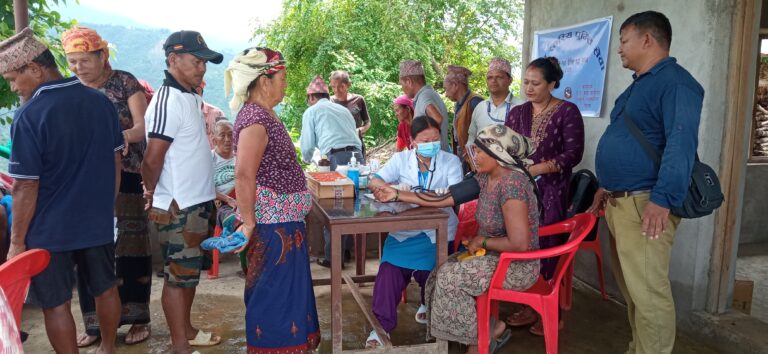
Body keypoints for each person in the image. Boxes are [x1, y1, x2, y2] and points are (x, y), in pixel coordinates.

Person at [1, 28, 123, 354]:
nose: (14, 88)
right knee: (105, 288)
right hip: (96, 221)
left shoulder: (29, 115)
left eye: (14, 78)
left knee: (56, 304)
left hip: (49, 228)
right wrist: (106, 207)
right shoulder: (101, 102)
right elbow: (115, 159)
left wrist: (16, 243)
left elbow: (26, 184)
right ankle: (109, 348)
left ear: (35, 69)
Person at [588, 11, 702, 354]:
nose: (619, 49)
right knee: (635, 291)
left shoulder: (676, 83)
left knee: (649, 293)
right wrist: (605, 185)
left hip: (646, 204)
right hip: (622, 202)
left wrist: (663, 199)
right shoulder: (643, 83)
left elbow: (681, 144)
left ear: (647, 40)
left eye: (624, 40)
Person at [372, 124, 541, 354]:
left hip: (515, 264)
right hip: (493, 256)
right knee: (438, 272)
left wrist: (481, 242)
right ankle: (484, 328)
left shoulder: (512, 186)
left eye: (480, 152)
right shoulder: (485, 178)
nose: (474, 156)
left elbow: (519, 244)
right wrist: (398, 194)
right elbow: (445, 197)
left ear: (498, 154)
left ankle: (477, 342)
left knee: (450, 277)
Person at [60, 26, 153, 347]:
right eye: (71, 61)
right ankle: (96, 324)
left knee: (130, 250)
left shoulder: (125, 82)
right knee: (89, 250)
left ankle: (138, 318)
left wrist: (121, 137)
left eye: (84, 60)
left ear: (102, 56)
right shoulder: (70, 88)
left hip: (126, 175)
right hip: (85, 182)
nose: (77, 68)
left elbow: (142, 128)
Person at [225, 46, 320, 353]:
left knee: (285, 294)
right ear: (264, 81)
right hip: (272, 229)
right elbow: (243, 174)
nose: (285, 84)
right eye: (282, 78)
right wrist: (249, 221)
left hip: (285, 226)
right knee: (274, 295)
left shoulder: (264, 115)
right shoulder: (255, 118)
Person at [141, 30, 224, 354]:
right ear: (173, 59)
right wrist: (154, 193)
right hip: (178, 206)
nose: (202, 67)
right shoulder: (167, 99)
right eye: (196, 60)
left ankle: (186, 330)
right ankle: (179, 345)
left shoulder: (190, 95)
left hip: (195, 202)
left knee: (188, 274)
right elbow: (152, 158)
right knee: (177, 277)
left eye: (204, 61)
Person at [503, 56, 585, 335]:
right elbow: (506, 148)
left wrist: (540, 167)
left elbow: (573, 154)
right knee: (521, 246)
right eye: (525, 82)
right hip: (520, 192)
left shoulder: (567, 112)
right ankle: (529, 303)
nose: (528, 88)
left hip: (551, 192)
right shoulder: (516, 113)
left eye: (535, 83)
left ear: (552, 84)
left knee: (547, 247)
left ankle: (552, 311)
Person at [365, 116, 462, 348]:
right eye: (425, 140)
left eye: (435, 139)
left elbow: (451, 199)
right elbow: (376, 181)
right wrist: (382, 188)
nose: (431, 144)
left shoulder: (450, 162)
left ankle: (429, 306)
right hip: (404, 232)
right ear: (412, 141)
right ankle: (381, 328)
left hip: (437, 232)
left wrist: (401, 195)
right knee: (388, 273)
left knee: (432, 274)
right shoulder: (401, 160)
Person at [299, 75, 362, 267]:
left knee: (332, 207)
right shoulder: (342, 110)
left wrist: (308, 159)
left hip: (335, 158)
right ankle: (347, 252)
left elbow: (308, 145)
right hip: (357, 158)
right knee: (353, 204)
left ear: (311, 98)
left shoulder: (312, 111)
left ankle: (333, 257)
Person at [469, 57, 525, 146]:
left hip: (513, 160)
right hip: (481, 159)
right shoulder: (480, 108)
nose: (493, 81)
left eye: (499, 77)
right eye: (490, 77)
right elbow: (471, 138)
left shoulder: (522, 107)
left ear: (510, 80)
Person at [399, 60, 451, 152]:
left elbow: (438, 119)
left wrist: (426, 143)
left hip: (435, 157)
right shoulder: (429, 94)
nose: (402, 88)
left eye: (402, 84)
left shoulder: (424, 96)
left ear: (409, 81)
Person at [444, 65, 484, 167]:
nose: (445, 94)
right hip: (464, 156)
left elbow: (484, 135)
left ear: (455, 85)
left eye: (446, 89)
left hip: (475, 159)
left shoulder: (475, 102)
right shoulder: (458, 104)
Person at [330, 70, 372, 157]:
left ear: (348, 84)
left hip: (356, 146)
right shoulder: (330, 102)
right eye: (333, 87)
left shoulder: (358, 100)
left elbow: (367, 122)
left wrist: (360, 130)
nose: (336, 90)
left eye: (341, 86)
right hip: (335, 149)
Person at [196, 80, 226, 148]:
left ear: (201, 91)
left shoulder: (217, 114)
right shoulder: (180, 115)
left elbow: (226, 140)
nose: (194, 94)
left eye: (197, 91)